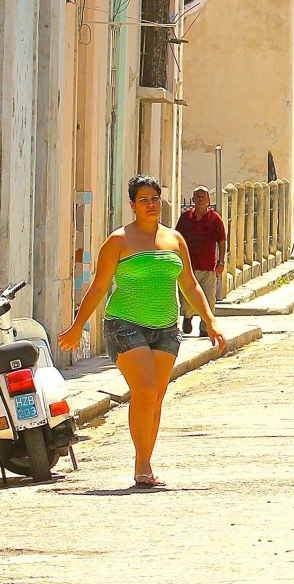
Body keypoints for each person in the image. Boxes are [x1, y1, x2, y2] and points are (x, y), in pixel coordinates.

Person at [57, 175, 226, 487]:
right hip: (124, 325)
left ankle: (145, 461)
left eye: (155, 198)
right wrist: (76, 327)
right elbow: (98, 288)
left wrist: (211, 320)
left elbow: (189, 284)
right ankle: (142, 464)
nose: (151, 204)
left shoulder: (175, 239)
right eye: (144, 200)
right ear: (133, 205)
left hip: (166, 329)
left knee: (156, 397)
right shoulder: (118, 241)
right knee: (146, 390)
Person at [174, 185, 225, 338]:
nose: (201, 199)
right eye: (198, 196)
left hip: (208, 266)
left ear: (209, 200)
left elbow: (221, 240)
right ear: (193, 199)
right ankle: (188, 317)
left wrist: (221, 262)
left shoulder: (215, 218)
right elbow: (177, 238)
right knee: (187, 297)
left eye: (204, 196)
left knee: (209, 298)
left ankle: (205, 327)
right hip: (188, 266)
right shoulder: (185, 218)